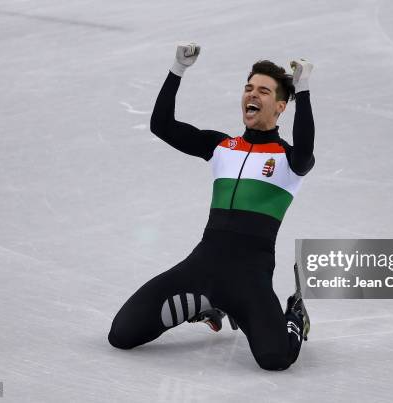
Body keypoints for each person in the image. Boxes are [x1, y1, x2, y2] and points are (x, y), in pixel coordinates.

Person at [108, 42, 315, 371]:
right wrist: (178, 69)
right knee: (121, 334)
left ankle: (295, 315)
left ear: (280, 107)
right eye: (248, 88)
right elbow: (161, 126)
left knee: (275, 358)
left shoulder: (290, 160)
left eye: (263, 91)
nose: (252, 95)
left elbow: (306, 149)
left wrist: (302, 89)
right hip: (202, 265)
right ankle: (206, 306)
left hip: (251, 277)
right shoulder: (221, 147)